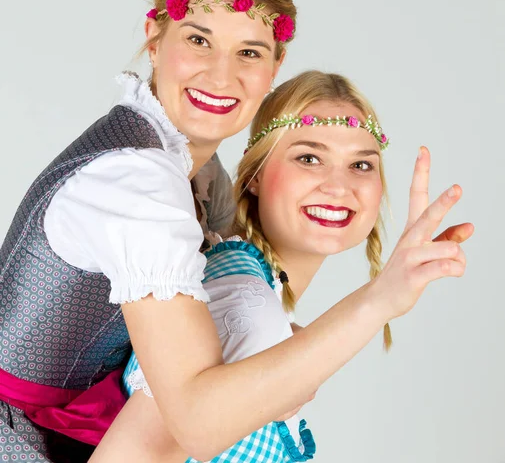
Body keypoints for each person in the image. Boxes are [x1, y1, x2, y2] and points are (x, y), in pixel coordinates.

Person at [0, 0, 472, 462]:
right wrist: (380, 298)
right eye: (199, 40)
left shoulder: (202, 176)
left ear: (274, 65)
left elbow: (246, 302)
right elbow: (201, 421)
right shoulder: (138, 181)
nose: (222, 76)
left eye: (248, 51)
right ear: (154, 38)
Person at [90, 71, 473, 462]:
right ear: (254, 174)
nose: (339, 186)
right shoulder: (246, 302)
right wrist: (380, 299)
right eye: (309, 158)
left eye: (361, 165)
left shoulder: (256, 293)